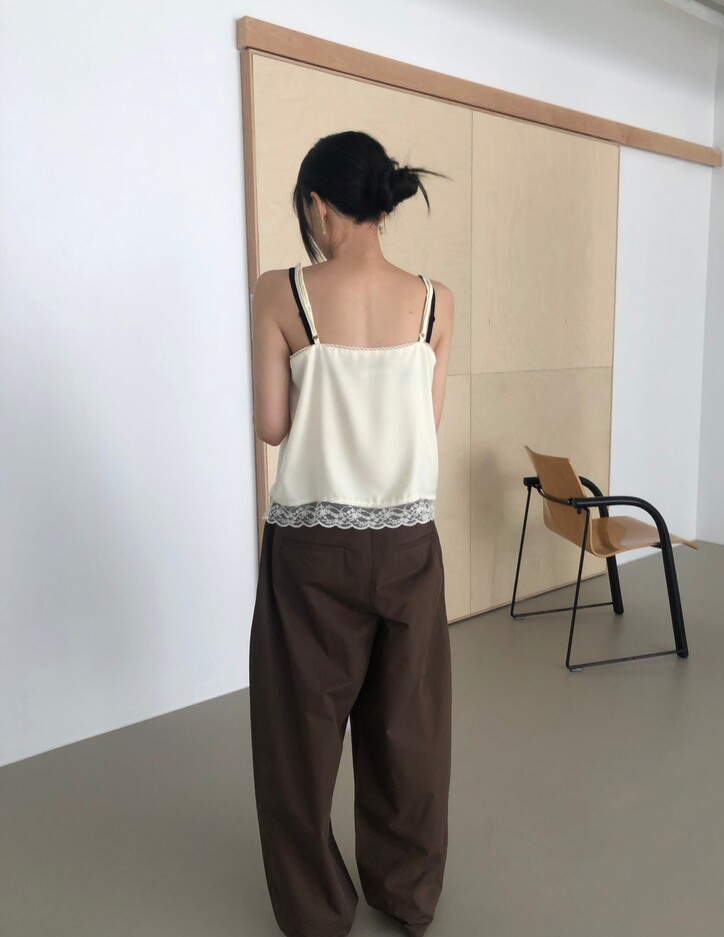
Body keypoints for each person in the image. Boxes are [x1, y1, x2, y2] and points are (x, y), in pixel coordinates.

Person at [248, 130, 455, 937]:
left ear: (318, 205)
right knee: (409, 728)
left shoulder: (280, 292)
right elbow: (426, 424)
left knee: (298, 736)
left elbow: (273, 426)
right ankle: (407, 894)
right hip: (408, 542)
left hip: (311, 547)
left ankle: (316, 911)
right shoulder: (435, 300)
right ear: (382, 204)